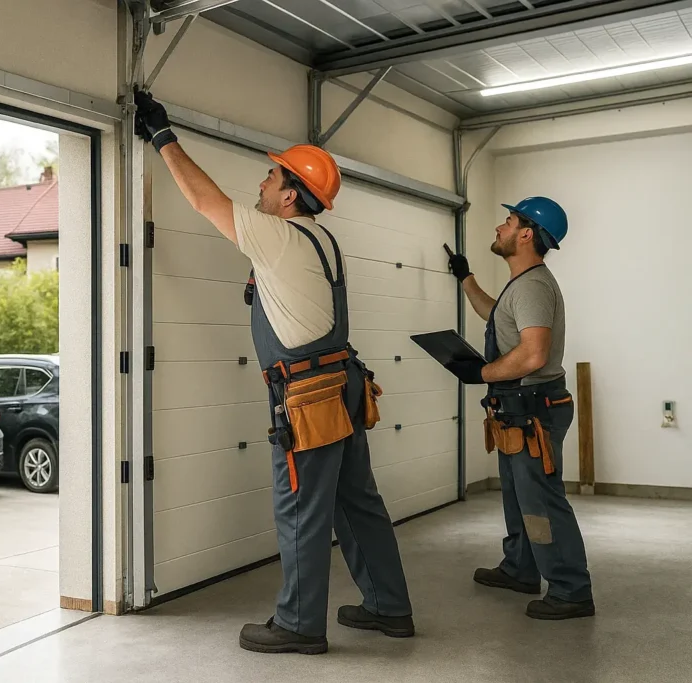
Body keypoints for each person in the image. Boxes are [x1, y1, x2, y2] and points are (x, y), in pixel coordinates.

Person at [132, 89, 414, 655]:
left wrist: (163, 137)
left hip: (308, 396)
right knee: (357, 501)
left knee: (302, 508)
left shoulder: (279, 236)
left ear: (290, 197)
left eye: (269, 178)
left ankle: (299, 624)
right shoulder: (321, 238)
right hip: (343, 385)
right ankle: (390, 607)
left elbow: (204, 200)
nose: (259, 185)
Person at [446, 197, 595, 620]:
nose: (500, 227)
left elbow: (532, 354)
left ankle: (571, 590)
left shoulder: (531, 286)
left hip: (534, 408)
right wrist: (465, 277)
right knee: (517, 496)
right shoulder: (522, 285)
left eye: (508, 221)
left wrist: (484, 371)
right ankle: (521, 568)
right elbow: (497, 317)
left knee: (541, 501)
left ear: (526, 233)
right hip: (520, 408)